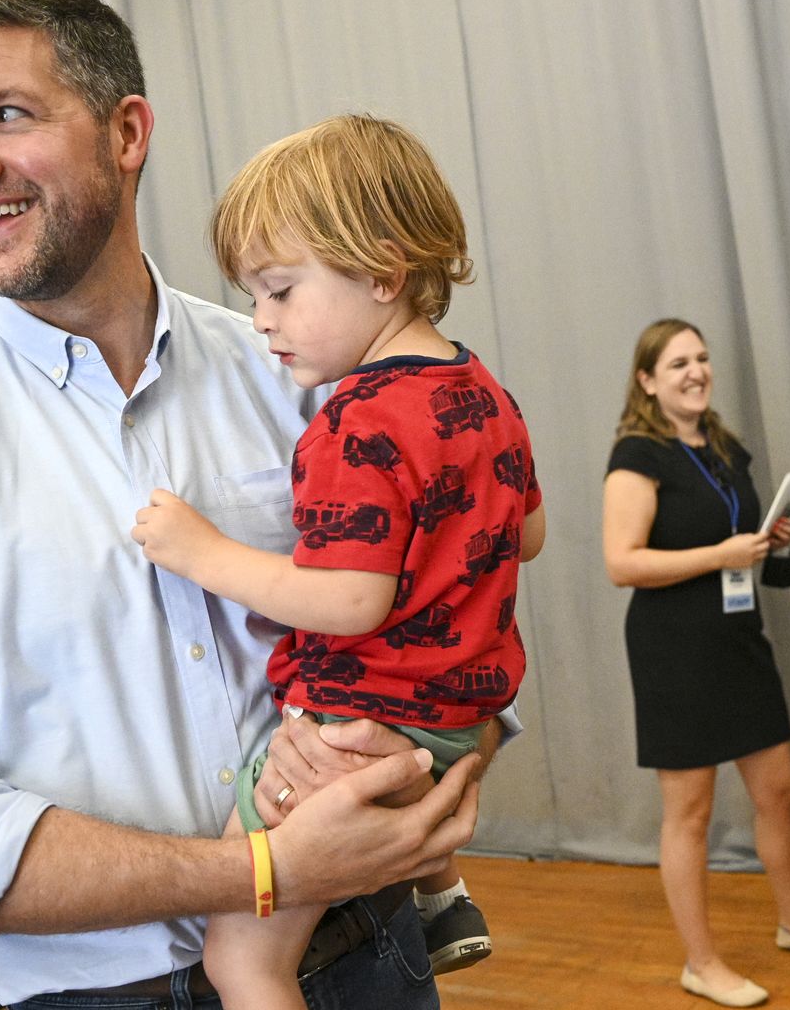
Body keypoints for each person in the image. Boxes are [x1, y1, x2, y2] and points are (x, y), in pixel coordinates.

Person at [0, 0, 483, 1009]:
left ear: (126, 132)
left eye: (5, 116)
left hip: (371, 956)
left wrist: (436, 773)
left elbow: (460, 590)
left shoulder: (303, 372)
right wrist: (262, 873)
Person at [128, 114, 544, 1007]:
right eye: (253, 295)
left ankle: (437, 896)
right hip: (455, 714)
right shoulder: (485, 393)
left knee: (242, 964)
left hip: (353, 729)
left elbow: (349, 601)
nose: (260, 320)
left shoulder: (354, 421)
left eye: (280, 291)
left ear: (383, 273)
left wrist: (202, 551)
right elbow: (529, 532)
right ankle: (442, 898)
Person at [601, 319, 790, 1008]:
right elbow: (622, 563)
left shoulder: (722, 446)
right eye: (677, 363)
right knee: (689, 814)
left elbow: (729, 531)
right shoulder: (637, 454)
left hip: (736, 637)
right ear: (647, 381)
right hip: (673, 649)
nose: (696, 371)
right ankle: (701, 963)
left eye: (701, 358)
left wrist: (765, 539)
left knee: (779, 793)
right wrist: (721, 556)